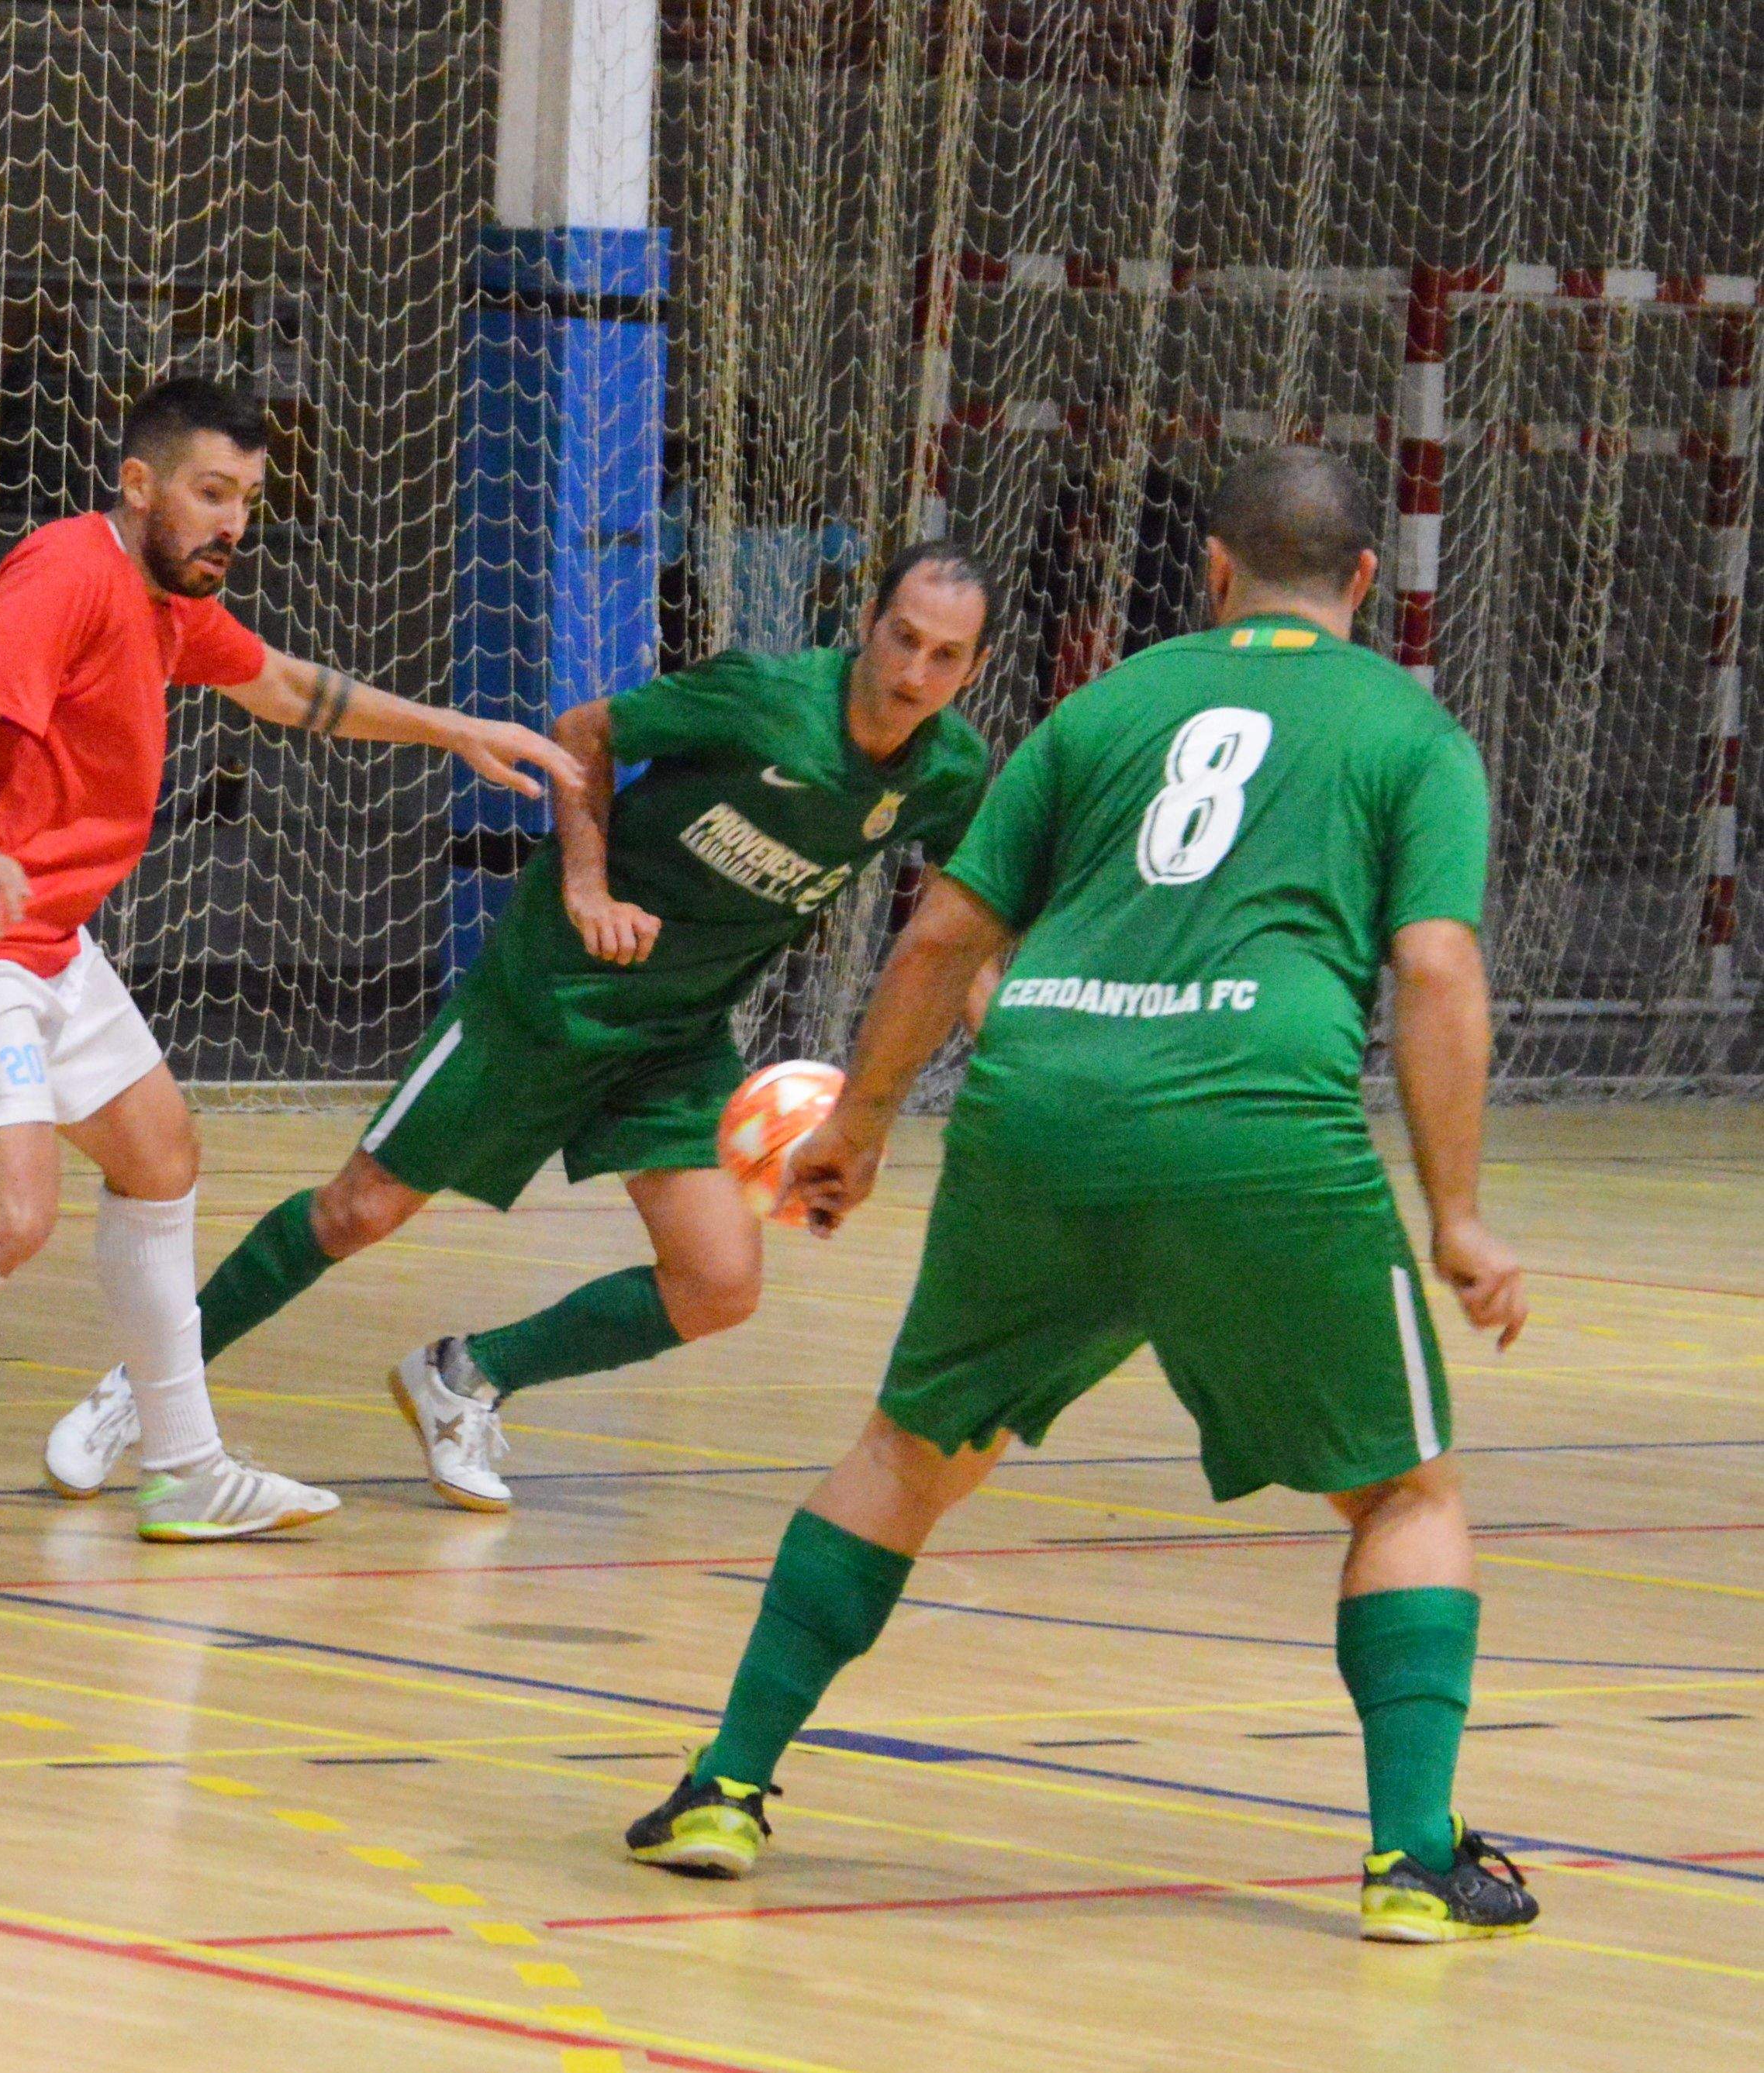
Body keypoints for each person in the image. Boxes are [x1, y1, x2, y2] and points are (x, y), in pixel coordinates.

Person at [622, 447, 1539, 1947]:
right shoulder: (1406, 729)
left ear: (1215, 573)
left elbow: (936, 937)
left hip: (1034, 1114)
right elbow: (1434, 970)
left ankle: (724, 1783)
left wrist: (856, 1125)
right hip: (1258, 1130)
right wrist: (1456, 1213)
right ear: (1361, 583)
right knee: (1404, 1488)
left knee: (907, 1452)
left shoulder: (1100, 707)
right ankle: (1409, 1857)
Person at [0, 374, 578, 1578]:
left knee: (158, 1155)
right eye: (209, 491)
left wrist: (452, 729)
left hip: (40, 937)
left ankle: (184, 1467)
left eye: (246, 496)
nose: (232, 519)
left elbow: (286, 688)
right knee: (6, 1218)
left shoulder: (173, 600)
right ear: (138, 487)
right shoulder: (68, 570)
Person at [40, 544, 996, 1512]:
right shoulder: (766, 698)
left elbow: (962, 931)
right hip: (548, 992)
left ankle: (465, 1378)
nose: (914, 673)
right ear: (868, 621)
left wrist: (1003, 1031)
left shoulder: (950, 771)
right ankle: (148, 1387)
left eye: (944, 657)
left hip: (679, 1034)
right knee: (357, 1211)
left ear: (975, 669)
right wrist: (587, 883)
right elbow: (584, 731)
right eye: (903, 639)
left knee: (719, 1281)